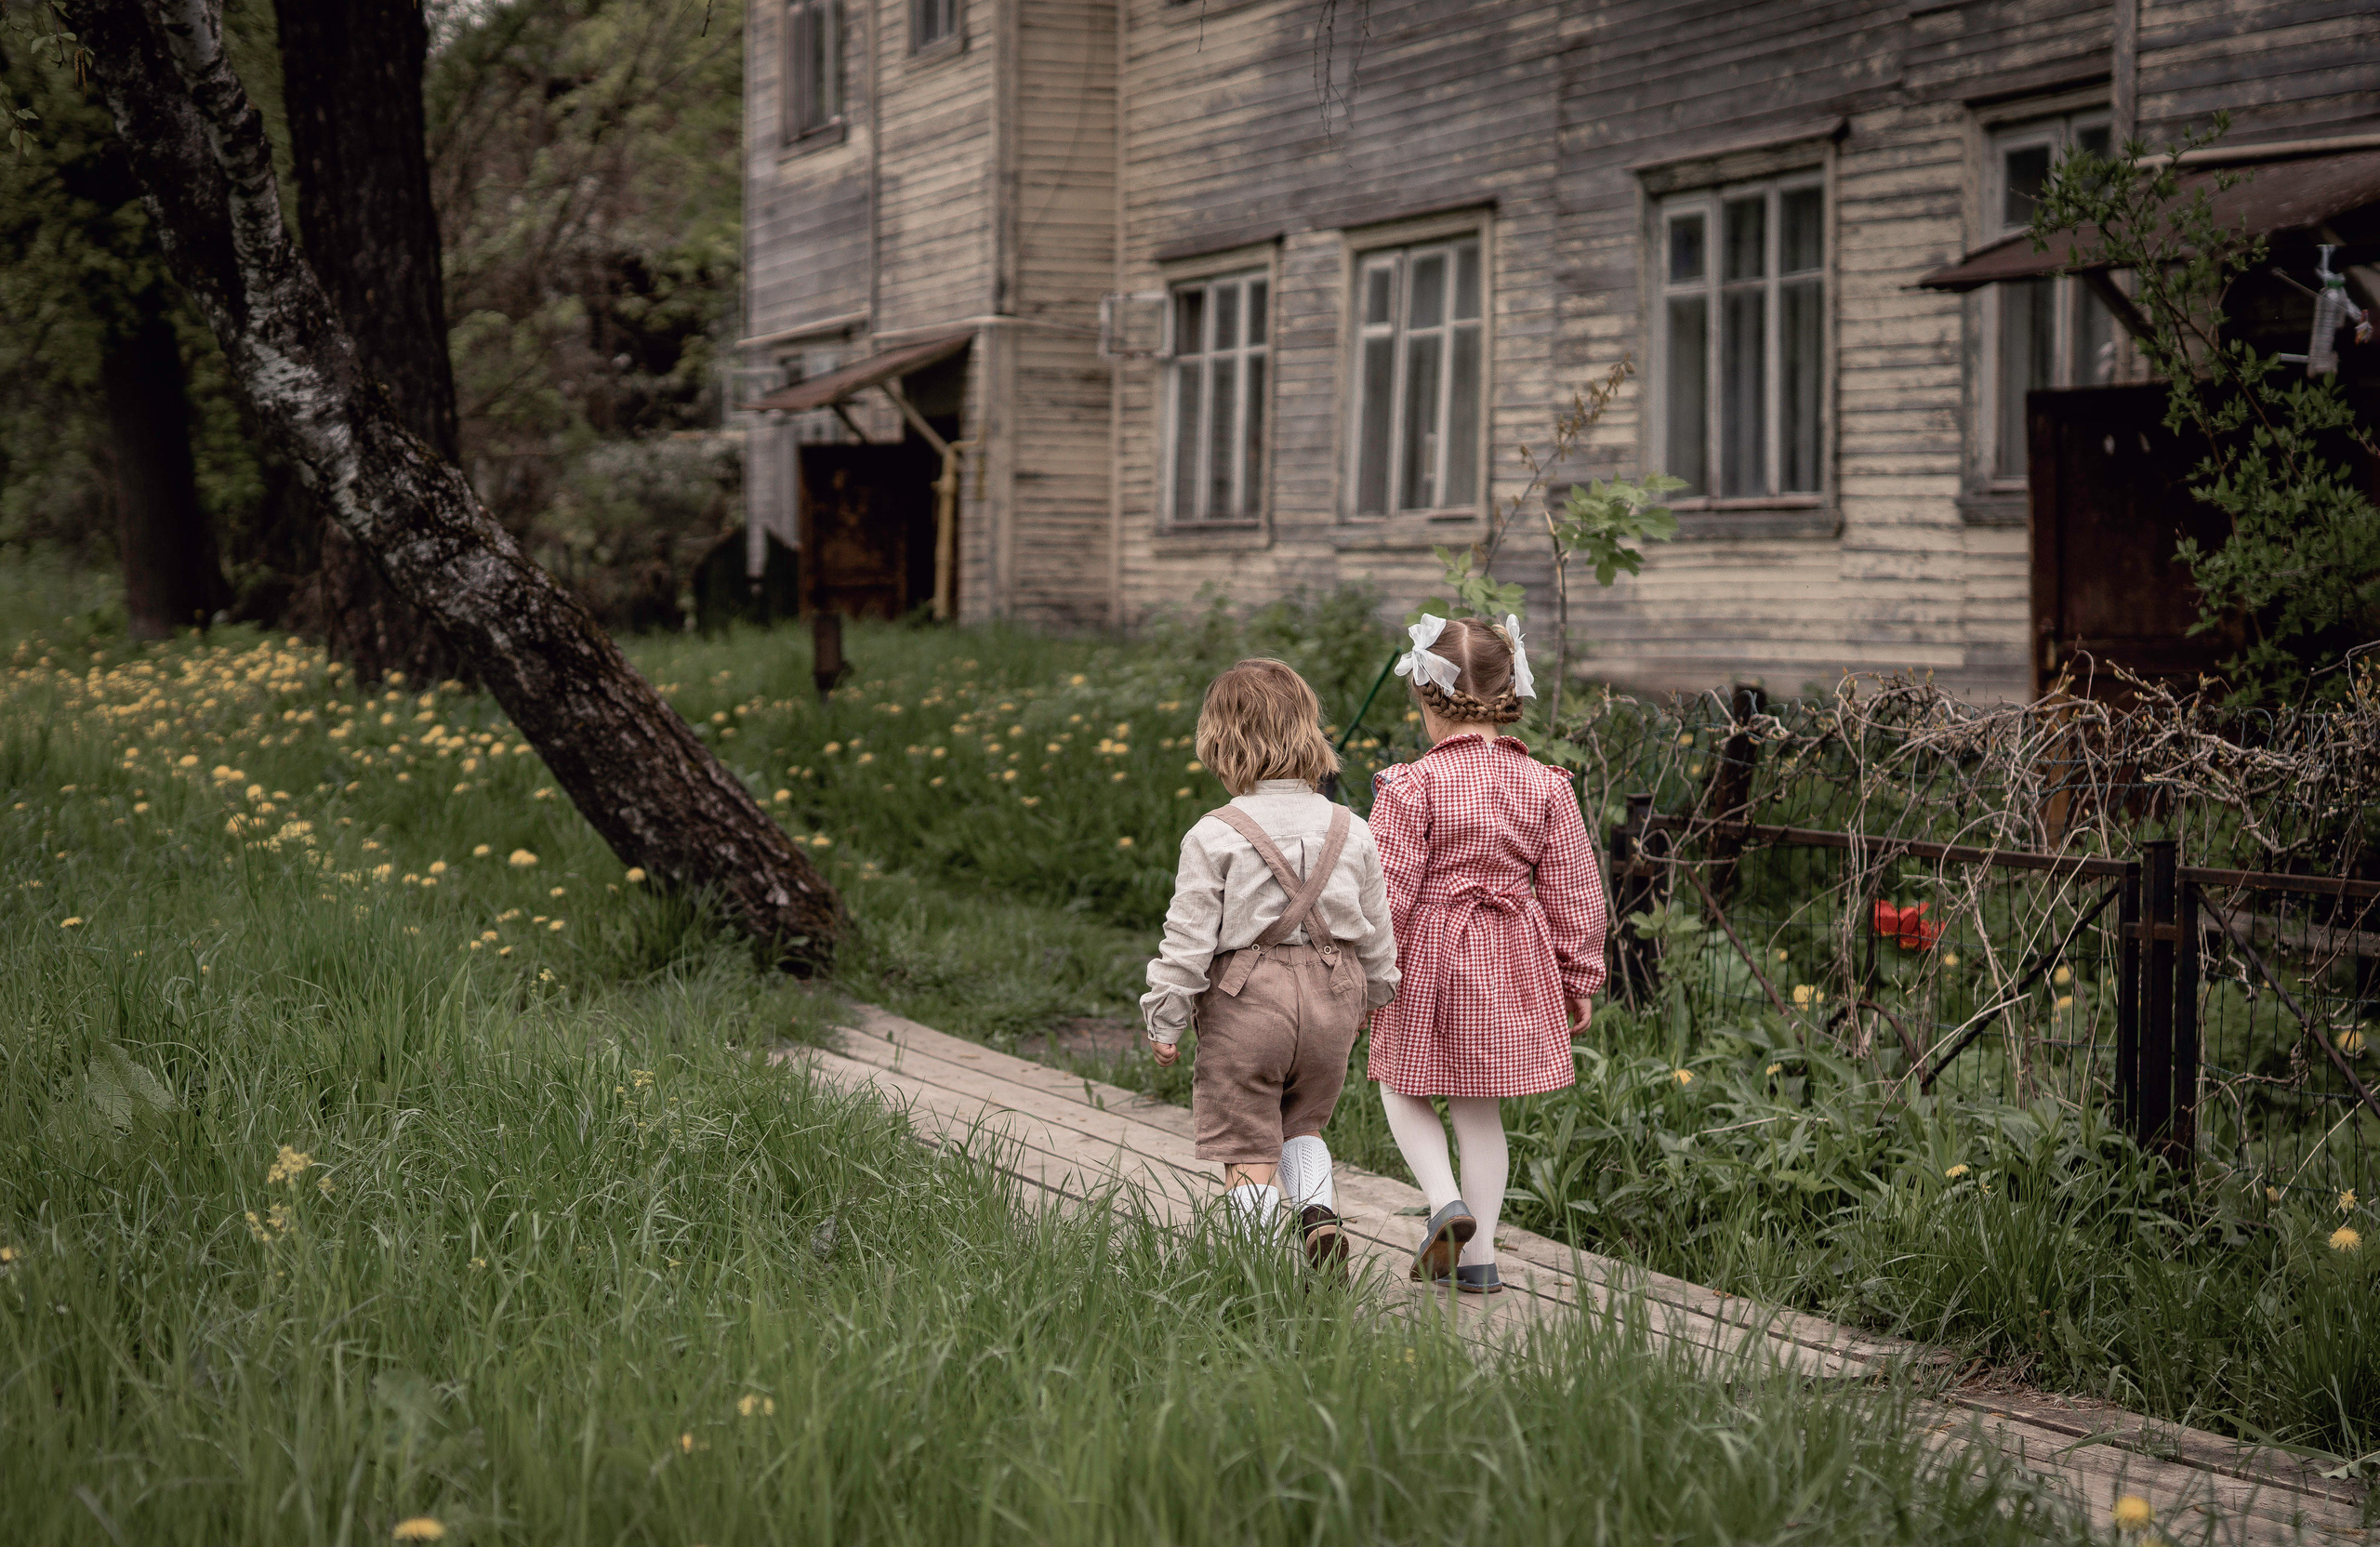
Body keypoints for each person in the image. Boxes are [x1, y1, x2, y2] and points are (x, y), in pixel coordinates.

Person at [1368, 614, 1607, 1294]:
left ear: (1424, 696)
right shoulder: (1549, 786)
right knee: (1480, 1111)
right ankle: (1479, 1263)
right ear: (1513, 692)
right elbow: (1574, 885)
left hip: (1430, 954)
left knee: (1399, 1082)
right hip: (1512, 956)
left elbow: (1388, 894)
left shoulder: (1411, 787)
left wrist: (1368, 975)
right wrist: (1578, 972)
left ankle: (1444, 1201)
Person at [1142, 658, 1400, 1268]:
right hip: (1334, 994)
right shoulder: (1351, 827)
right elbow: (1377, 928)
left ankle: (1252, 1269)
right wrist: (1377, 995)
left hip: (1248, 999)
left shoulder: (1214, 834)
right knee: (1302, 1123)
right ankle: (1318, 1213)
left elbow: (1187, 941)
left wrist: (1165, 1016)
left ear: (1221, 743)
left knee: (1247, 1139)